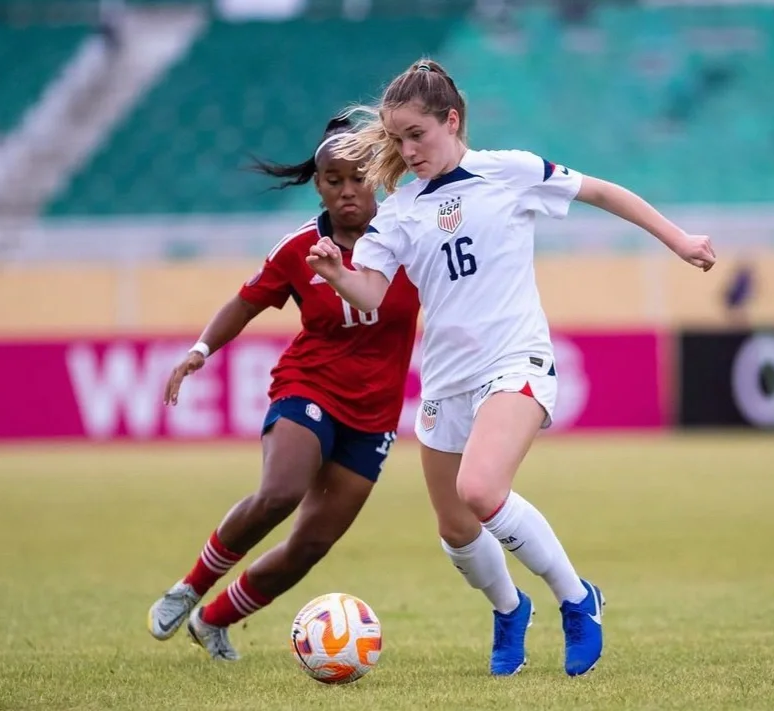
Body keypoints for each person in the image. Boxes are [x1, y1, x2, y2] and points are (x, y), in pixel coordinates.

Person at [307, 59, 716, 677]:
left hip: (515, 359)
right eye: (397, 139)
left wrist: (678, 239)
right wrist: (339, 276)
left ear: (453, 120)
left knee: (481, 491)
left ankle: (579, 600)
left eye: (417, 134)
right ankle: (509, 609)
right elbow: (371, 293)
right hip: (446, 380)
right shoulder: (399, 210)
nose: (407, 150)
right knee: (454, 529)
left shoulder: (510, 172)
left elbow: (602, 192)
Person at [148, 116, 421, 661]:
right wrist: (199, 351)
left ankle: (212, 621)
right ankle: (189, 587)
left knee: (310, 545)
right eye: (334, 179)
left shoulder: (411, 239)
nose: (347, 190)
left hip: (375, 412)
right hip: (309, 386)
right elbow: (247, 301)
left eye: (358, 177)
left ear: (381, 179)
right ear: (317, 184)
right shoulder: (298, 248)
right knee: (281, 492)